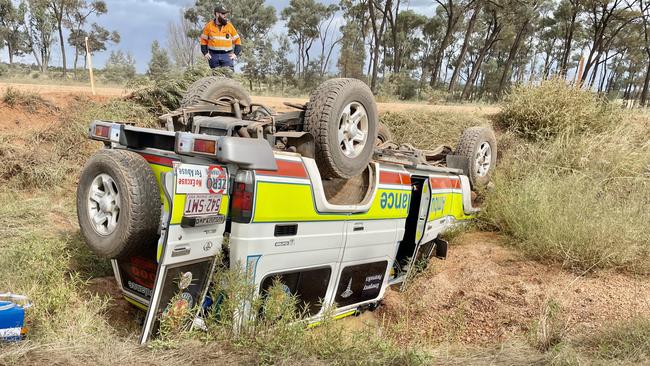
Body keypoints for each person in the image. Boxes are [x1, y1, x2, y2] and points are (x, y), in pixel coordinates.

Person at [199, 5, 242, 70]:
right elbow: (203, 40)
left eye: (225, 14)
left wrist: (235, 54)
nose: (225, 15)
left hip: (227, 56)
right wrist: (205, 52)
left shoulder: (229, 26)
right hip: (213, 56)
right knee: (215, 77)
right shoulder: (209, 26)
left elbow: (237, 39)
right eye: (223, 13)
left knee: (228, 76)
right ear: (217, 14)